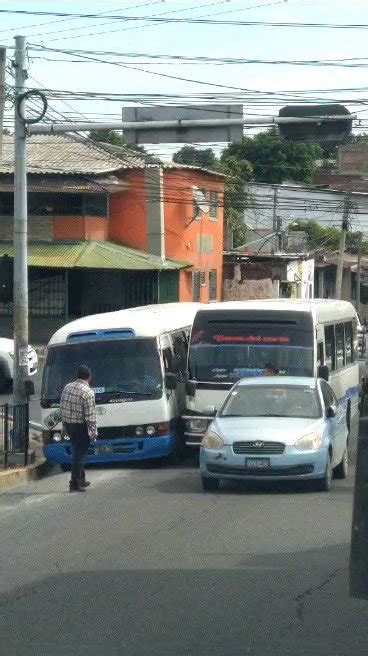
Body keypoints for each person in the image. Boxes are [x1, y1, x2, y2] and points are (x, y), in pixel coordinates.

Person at [60, 365, 98, 492]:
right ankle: (74, 483)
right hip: (81, 427)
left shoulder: (67, 387)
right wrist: (93, 432)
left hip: (69, 425)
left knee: (76, 451)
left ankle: (81, 479)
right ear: (89, 377)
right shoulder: (88, 392)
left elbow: (62, 408)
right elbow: (90, 416)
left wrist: (64, 426)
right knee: (79, 455)